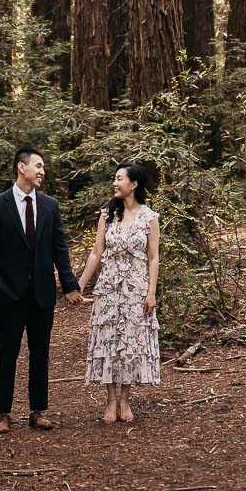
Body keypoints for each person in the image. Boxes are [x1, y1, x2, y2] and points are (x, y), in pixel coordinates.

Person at [0, 148, 82, 433]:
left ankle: (38, 411)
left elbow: (59, 248)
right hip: (9, 295)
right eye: (38, 166)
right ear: (21, 168)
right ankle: (3, 413)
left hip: (42, 294)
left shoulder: (50, 206)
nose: (42, 171)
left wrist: (69, 285)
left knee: (40, 353)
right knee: (7, 353)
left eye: (43, 167)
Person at [78, 161, 161, 423]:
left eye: (120, 179)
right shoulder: (107, 215)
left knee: (130, 344)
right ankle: (110, 401)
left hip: (135, 289)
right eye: (114, 178)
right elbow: (96, 252)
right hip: (109, 288)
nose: (115, 183)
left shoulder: (150, 217)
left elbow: (153, 258)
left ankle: (125, 400)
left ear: (134, 184)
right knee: (109, 342)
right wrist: (78, 284)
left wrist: (151, 293)